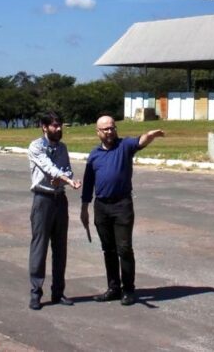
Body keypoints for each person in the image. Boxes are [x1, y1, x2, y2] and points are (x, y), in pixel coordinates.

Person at [80, 116, 164, 306]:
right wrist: (84, 208)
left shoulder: (124, 146)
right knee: (108, 249)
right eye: (106, 129)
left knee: (124, 249)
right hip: (101, 207)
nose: (110, 131)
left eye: (112, 128)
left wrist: (151, 136)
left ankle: (128, 290)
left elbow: (140, 141)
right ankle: (113, 288)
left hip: (122, 206)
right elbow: (88, 183)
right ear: (98, 132)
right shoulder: (94, 155)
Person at [26, 111, 81, 310]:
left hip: (60, 200)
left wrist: (65, 179)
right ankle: (36, 293)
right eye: (54, 125)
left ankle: (58, 291)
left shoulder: (62, 147)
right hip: (43, 200)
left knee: (60, 248)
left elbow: (67, 169)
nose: (58, 129)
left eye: (60, 125)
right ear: (44, 127)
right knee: (39, 247)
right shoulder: (36, 146)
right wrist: (65, 179)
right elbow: (47, 166)